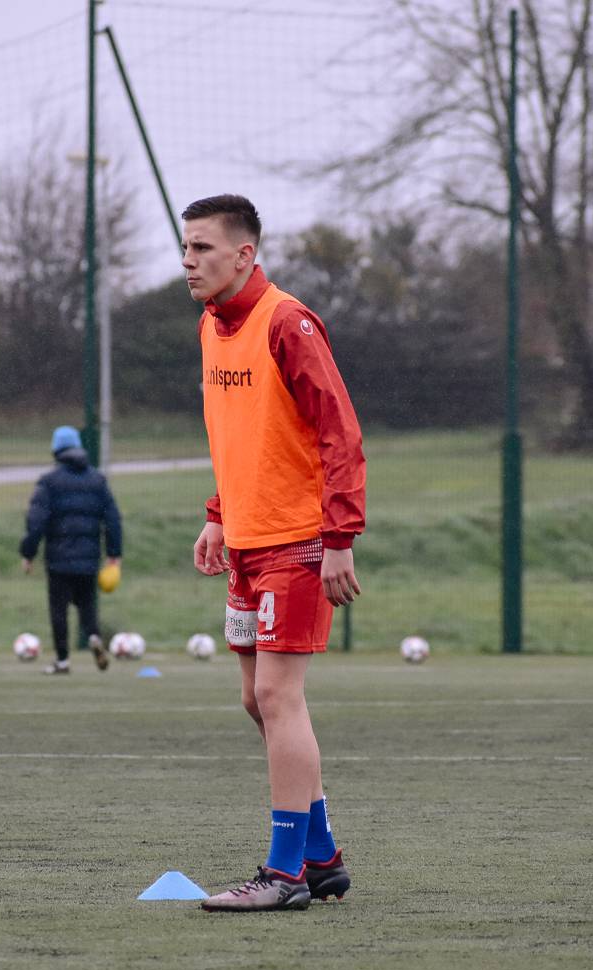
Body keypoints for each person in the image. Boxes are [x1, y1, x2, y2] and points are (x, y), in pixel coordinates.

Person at [182, 194, 366, 912]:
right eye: (185, 247)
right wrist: (219, 515)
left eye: (202, 248)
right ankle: (321, 857)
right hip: (247, 543)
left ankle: (284, 873)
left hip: (300, 542)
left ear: (244, 255)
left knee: (277, 696)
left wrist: (340, 538)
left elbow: (339, 433)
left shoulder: (288, 323)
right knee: (254, 701)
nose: (189, 261)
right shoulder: (211, 325)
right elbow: (244, 433)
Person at [19, 425, 123, 675]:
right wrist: (114, 553)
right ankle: (94, 636)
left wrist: (28, 552)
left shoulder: (49, 482)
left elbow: (36, 521)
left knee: (59, 609)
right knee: (87, 605)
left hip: (58, 558)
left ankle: (63, 660)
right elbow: (112, 519)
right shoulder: (97, 480)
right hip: (89, 558)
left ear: (56, 450)